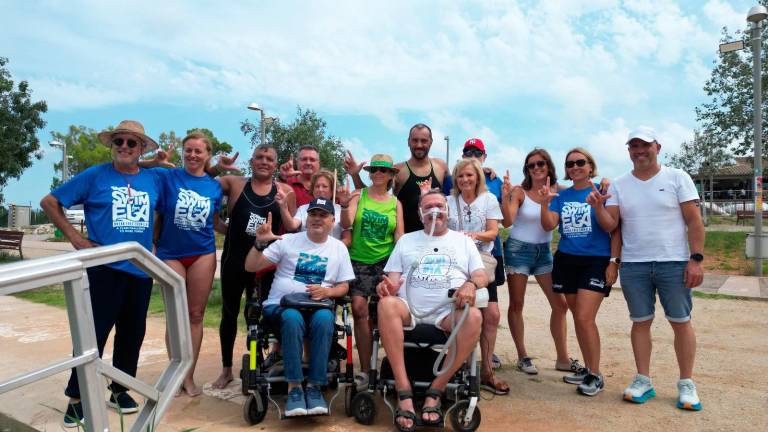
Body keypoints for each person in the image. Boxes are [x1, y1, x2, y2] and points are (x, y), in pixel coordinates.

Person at [40, 120, 163, 427]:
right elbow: (50, 202)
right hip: (103, 270)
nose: (123, 146)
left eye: (131, 143)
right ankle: (76, 398)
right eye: (118, 141)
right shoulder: (95, 176)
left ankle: (119, 390)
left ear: (141, 148)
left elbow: (162, 208)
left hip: (139, 270)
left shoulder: (153, 179)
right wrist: (75, 238)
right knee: (92, 335)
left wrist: (155, 242)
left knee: (132, 334)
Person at [590, 126, 705, 411]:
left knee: (680, 321)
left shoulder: (677, 177)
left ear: (658, 147)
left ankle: (686, 383)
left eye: (645, 145)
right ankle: (643, 379)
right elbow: (613, 226)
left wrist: (696, 259)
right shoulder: (619, 184)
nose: (639, 151)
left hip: (673, 262)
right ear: (628, 151)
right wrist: (597, 207)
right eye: (634, 146)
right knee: (640, 321)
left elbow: (694, 221)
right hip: (635, 264)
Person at [376, 190, 484, 431]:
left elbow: (480, 274)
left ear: (447, 211)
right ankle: (404, 391)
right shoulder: (406, 241)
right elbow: (391, 280)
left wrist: (470, 284)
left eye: (439, 205)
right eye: (428, 207)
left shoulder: (463, 241)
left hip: (447, 312)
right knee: (385, 304)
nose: (434, 211)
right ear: (420, 213)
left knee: (474, 316)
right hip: (409, 310)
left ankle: (436, 391)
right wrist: (386, 286)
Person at [244, 199, 355, 416]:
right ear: (306, 218)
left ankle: (314, 387)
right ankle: (294, 388)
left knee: (325, 318)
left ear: (332, 221)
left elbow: (343, 286)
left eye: (323, 215)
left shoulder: (339, 248)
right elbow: (251, 266)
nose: (317, 218)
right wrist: (259, 243)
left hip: (318, 308)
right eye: (313, 214)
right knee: (292, 317)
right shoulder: (287, 240)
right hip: (280, 307)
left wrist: (328, 292)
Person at [212, 144, 296, 389]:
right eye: (259, 157)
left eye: (269, 158)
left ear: (275, 164)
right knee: (229, 314)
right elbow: (201, 180)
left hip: (264, 265)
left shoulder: (285, 191)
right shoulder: (235, 184)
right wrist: (223, 228)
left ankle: (257, 364)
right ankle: (226, 368)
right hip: (233, 261)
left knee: (257, 316)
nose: (264, 161)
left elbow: (291, 228)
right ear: (251, 160)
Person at [539, 147, 618, 396]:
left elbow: (611, 226)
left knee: (585, 318)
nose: (575, 167)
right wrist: (544, 204)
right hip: (566, 260)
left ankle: (596, 374)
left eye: (580, 162)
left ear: (590, 166)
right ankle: (587, 368)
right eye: (570, 164)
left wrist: (597, 206)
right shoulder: (561, 196)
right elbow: (549, 224)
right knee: (578, 318)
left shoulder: (603, 191)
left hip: (595, 260)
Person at [154, 131, 223, 397]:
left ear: (208, 156)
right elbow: (159, 216)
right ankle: (174, 374)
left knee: (195, 316)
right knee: (175, 315)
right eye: (189, 150)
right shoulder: (168, 177)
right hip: (171, 253)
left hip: (202, 253)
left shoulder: (214, 186)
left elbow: (215, 222)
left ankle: (188, 376)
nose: (193, 155)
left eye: (199, 151)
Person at [501, 148, 581, 375]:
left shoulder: (558, 191)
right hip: (518, 250)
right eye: (531, 165)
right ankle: (522, 356)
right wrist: (506, 196)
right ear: (526, 170)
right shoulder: (519, 191)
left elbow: (580, 190)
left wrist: (605, 184)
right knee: (517, 304)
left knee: (560, 305)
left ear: (549, 166)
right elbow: (507, 222)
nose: (536, 168)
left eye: (540, 164)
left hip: (544, 252)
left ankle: (563, 358)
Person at [443, 138, 506, 372]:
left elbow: (493, 232)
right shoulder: (449, 201)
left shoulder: (488, 199)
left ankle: (487, 367)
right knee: (459, 311)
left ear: (477, 176)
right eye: (460, 176)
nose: (465, 180)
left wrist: (472, 236)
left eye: (469, 175)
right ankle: (456, 365)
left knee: (492, 315)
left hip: (481, 262)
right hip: (455, 264)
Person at [340, 154, 404, 385]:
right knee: (359, 309)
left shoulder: (395, 203)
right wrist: (346, 204)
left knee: (383, 315)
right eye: (374, 169)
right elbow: (347, 223)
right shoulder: (360, 195)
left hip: (385, 263)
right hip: (358, 260)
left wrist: (402, 268)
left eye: (383, 170)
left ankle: (387, 365)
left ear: (390, 175)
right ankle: (366, 370)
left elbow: (400, 238)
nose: (378, 173)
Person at [345, 123, 449, 233]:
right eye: (415, 140)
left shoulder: (441, 167)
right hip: (407, 237)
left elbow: (455, 195)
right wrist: (355, 175)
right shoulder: (398, 171)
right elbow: (373, 196)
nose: (419, 145)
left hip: (436, 235)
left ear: (431, 142)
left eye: (423, 141)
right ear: (408, 141)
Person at [284, 169, 349, 243]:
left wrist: (331, 250)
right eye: (317, 186)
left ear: (332, 190)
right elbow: (291, 226)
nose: (320, 189)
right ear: (313, 189)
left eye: (325, 186)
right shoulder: (303, 209)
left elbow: (347, 239)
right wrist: (283, 207)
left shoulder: (341, 210)